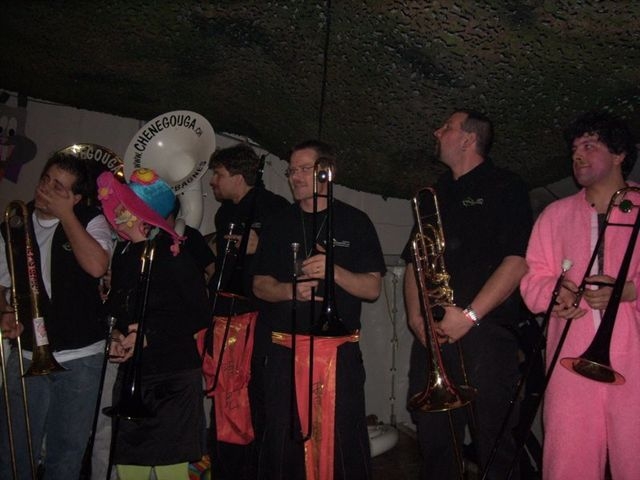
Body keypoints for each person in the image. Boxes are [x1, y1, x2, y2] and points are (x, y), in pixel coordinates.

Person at [403, 109, 533, 479]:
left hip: (485, 336)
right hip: (432, 336)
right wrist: (415, 320)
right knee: (434, 443)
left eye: (446, 127)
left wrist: (470, 316)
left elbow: (517, 262)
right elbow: (414, 261)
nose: (436, 131)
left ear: (468, 138)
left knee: (495, 445)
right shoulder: (434, 192)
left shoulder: (506, 186)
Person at [252, 139, 386, 479]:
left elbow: (372, 289)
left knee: (343, 441)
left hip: (339, 354)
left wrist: (333, 271)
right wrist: (289, 291)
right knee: (283, 442)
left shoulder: (356, 221)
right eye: (291, 171)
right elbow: (259, 285)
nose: (294, 177)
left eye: (303, 169)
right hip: (284, 353)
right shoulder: (278, 222)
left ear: (327, 173)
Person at [520, 111, 640, 480]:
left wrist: (629, 291)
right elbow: (534, 280)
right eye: (574, 148)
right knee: (568, 462)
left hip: (635, 361)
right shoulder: (555, 215)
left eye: (589, 146)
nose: (577, 155)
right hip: (570, 363)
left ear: (619, 154)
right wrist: (555, 294)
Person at [0, 151, 113, 479]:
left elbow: (97, 266)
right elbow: (2, 282)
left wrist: (66, 216)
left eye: (58, 187)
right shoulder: (15, 221)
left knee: (66, 452)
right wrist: (5, 311)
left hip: (80, 355)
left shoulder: (91, 219)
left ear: (76, 198)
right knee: (14, 450)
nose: (45, 189)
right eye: (45, 180)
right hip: (27, 352)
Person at [97, 168, 210, 480]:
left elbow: (200, 313)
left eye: (125, 207)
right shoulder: (123, 255)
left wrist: (150, 336)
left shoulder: (174, 254)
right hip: (134, 374)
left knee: (170, 465)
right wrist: (116, 335)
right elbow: (117, 309)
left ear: (144, 213)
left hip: (172, 377)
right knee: (129, 462)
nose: (117, 213)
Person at [201, 143, 289, 480]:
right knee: (224, 397)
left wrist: (261, 245)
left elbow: (291, 259)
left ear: (238, 177)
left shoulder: (274, 207)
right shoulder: (225, 213)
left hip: (255, 319)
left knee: (251, 400)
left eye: (218, 174)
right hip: (225, 314)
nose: (213, 181)